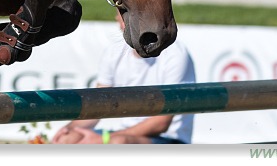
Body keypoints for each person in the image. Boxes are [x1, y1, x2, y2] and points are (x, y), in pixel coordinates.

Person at [51, 13, 196, 144]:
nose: (117, 16)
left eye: (125, 10)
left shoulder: (175, 53)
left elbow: (162, 123)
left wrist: (103, 140)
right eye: (120, 11)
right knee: (68, 139)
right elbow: (99, 105)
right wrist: (68, 129)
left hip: (170, 139)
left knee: (119, 143)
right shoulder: (114, 52)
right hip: (122, 134)